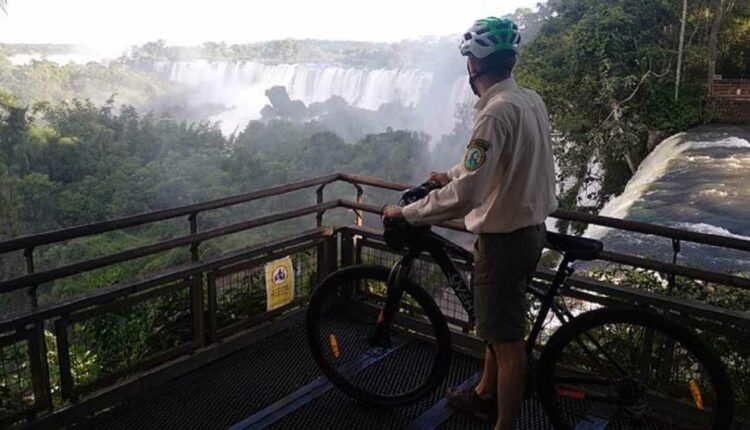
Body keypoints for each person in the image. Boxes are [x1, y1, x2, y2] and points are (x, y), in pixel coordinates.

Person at [381, 17, 558, 430]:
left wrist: (406, 212)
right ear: (510, 61)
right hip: (531, 230)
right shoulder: (528, 99)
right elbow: (486, 165)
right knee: (496, 326)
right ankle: (483, 394)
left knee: (508, 342)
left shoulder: (494, 113)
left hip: (504, 240)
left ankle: (505, 424)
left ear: (473, 66)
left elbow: (468, 196)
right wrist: (452, 173)